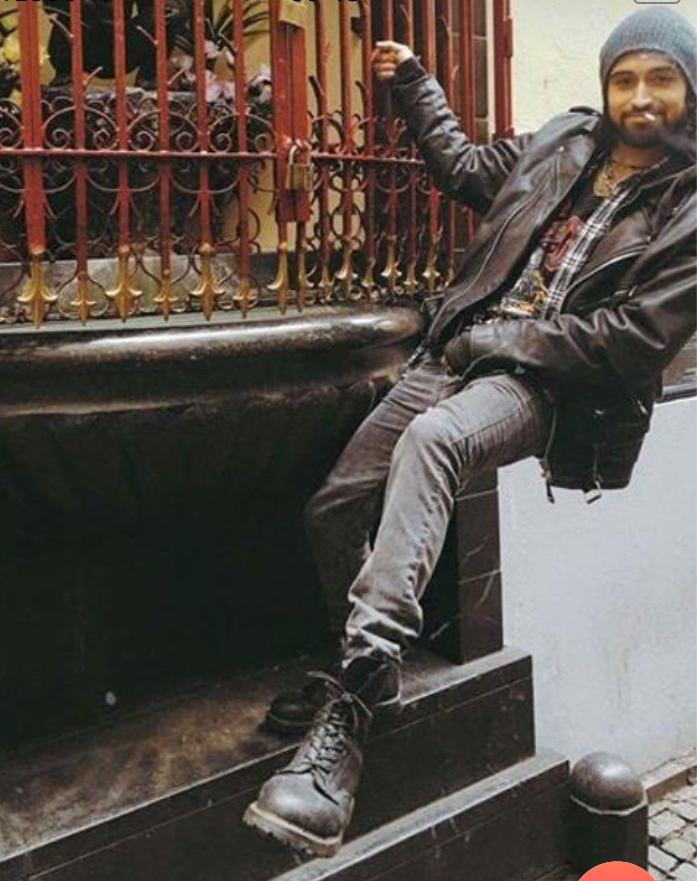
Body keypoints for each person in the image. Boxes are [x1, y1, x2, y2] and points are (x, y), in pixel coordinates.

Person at [243, 7, 696, 858]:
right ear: (606, 87)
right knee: (334, 509)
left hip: (547, 383)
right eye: (625, 79)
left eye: (661, 79)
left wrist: (505, 341)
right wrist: (415, 83)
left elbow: (634, 340)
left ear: (691, 90)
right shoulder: (565, 141)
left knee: (437, 440)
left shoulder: (689, 203)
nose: (641, 96)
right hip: (458, 351)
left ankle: (354, 705)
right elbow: (463, 166)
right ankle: (363, 662)